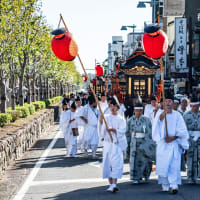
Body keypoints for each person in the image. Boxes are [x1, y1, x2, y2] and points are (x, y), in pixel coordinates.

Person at [152, 92, 189, 194]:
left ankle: (174, 185)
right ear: (163, 103)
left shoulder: (177, 115)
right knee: (163, 164)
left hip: (173, 144)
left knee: (173, 165)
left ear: (173, 103)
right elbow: (156, 126)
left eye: (170, 101)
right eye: (166, 101)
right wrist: (162, 115)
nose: (168, 103)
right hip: (163, 144)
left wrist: (174, 137)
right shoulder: (160, 114)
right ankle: (165, 185)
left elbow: (182, 130)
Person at [98, 96, 127, 192]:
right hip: (107, 144)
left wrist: (113, 130)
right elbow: (101, 130)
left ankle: (114, 183)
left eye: (114, 106)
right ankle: (110, 184)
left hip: (116, 144)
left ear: (118, 107)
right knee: (107, 164)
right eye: (111, 106)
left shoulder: (121, 119)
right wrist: (101, 121)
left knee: (116, 163)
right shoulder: (106, 117)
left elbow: (122, 131)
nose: (113, 108)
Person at [126, 100, 155, 184]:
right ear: (134, 111)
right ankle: (136, 177)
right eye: (136, 110)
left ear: (142, 111)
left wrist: (148, 144)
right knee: (134, 160)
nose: (138, 112)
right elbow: (127, 133)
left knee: (145, 160)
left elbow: (149, 132)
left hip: (144, 142)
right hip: (134, 142)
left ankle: (145, 176)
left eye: (140, 110)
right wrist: (127, 144)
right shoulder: (130, 120)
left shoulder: (146, 120)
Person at [183, 95, 200, 184]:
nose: (194, 108)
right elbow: (183, 129)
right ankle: (190, 176)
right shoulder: (186, 115)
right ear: (190, 106)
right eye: (193, 106)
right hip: (190, 138)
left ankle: (198, 177)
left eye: (196, 106)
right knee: (190, 158)